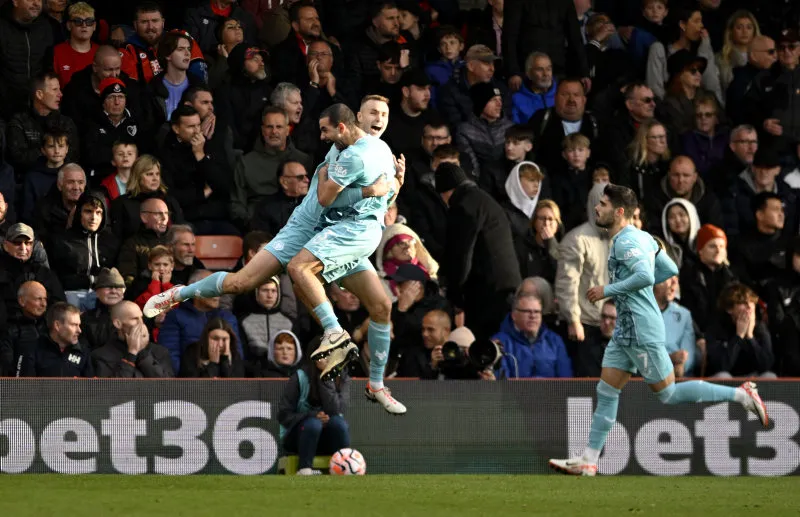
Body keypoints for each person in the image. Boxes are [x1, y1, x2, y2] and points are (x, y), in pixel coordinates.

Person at [145, 98, 407, 415]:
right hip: (307, 228)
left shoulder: (379, 151)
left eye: (384, 114)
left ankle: (375, 384)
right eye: (374, 113)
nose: (322, 137)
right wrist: (373, 190)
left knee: (380, 305)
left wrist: (394, 185)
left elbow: (375, 196)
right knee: (245, 281)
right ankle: (177, 294)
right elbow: (329, 200)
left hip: (335, 234)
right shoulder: (347, 154)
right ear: (358, 118)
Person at [548, 184, 768, 476]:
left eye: (602, 204)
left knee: (668, 394)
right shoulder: (643, 238)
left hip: (640, 329)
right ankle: (588, 459)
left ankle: (741, 395)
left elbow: (645, 275)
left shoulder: (626, 243)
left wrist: (607, 289)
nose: (597, 208)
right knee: (607, 390)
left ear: (619, 211)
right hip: (626, 329)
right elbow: (668, 269)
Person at [278, 337, 351, 476]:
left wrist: (326, 377)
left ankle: (344, 467)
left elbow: (336, 409)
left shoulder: (342, 377)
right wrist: (312, 416)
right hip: (298, 439)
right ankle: (304, 468)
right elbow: (284, 415)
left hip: (327, 439)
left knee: (339, 423)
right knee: (313, 424)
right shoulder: (300, 377)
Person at [92, 301, 173, 378]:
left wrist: (143, 353)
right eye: (134, 319)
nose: (141, 323)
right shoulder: (100, 356)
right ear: (118, 324)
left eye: (141, 318)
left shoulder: (160, 351)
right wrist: (131, 355)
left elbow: (168, 387)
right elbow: (111, 390)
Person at [179, 317, 245, 378]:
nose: (220, 345)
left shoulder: (235, 356)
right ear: (206, 339)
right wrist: (213, 364)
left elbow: (236, 387)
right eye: (215, 339)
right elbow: (192, 388)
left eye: (224, 339)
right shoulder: (192, 352)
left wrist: (225, 361)